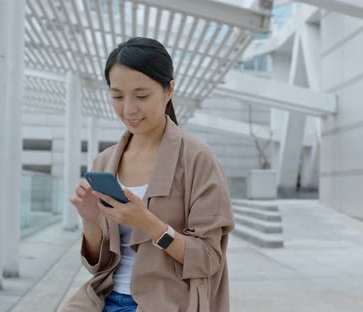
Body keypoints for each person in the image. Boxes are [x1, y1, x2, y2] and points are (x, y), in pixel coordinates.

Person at [62, 37, 235, 312]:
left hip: (168, 301)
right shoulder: (104, 161)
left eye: (141, 96)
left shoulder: (198, 159)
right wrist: (90, 221)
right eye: (117, 96)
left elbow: (209, 259)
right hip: (103, 299)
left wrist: (149, 224)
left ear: (169, 90)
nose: (129, 109)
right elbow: (100, 266)